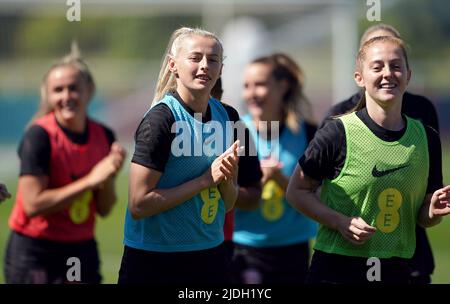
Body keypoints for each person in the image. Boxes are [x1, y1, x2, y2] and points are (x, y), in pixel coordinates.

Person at [286, 36, 450, 283]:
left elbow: (422, 217)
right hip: (337, 268)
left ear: (408, 75)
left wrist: (433, 211)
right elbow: (296, 191)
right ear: (359, 78)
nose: (388, 73)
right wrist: (340, 222)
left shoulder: (426, 137)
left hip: (398, 269)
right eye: (377, 67)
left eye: (396, 66)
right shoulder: (336, 133)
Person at [118, 27, 241, 284]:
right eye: (195, 58)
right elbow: (139, 204)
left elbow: (228, 203)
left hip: (210, 255)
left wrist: (225, 181)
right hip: (155, 259)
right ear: (174, 65)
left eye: (213, 59)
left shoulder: (228, 117)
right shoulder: (161, 120)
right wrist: (205, 181)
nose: (205, 66)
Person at [5, 46, 126, 284]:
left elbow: (104, 209)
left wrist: (108, 177)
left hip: (81, 248)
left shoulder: (104, 136)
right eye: (58, 90)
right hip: (36, 252)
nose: (66, 96)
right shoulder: (38, 136)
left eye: (73, 88)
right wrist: (91, 180)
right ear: (47, 96)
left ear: (89, 90)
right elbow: (32, 204)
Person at [232, 53, 318, 284]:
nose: (251, 93)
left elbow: (318, 197)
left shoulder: (309, 133)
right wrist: (260, 179)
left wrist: (279, 178)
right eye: (246, 86)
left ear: (283, 86)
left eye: (259, 84)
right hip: (244, 248)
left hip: (293, 249)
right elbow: (226, 196)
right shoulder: (236, 131)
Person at [210, 77, 263, 267]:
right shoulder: (166, 118)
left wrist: (226, 186)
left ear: (219, 96)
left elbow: (254, 196)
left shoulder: (234, 125)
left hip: (219, 241)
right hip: (168, 242)